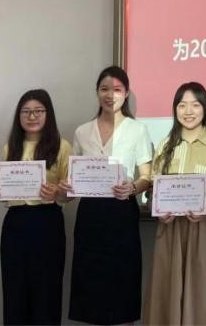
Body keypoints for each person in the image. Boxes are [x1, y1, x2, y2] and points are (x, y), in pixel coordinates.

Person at [65, 66, 153, 325]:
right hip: (90, 215)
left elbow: (147, 176)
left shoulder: (138, 130)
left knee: (122, 283)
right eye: (104, 89)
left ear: (126, 94)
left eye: (116, 89)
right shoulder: (82, 131)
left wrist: (132, 187)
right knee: (90, 284)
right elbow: (74, 177)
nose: (109, 95)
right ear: (97, 93)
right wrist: (68, 187)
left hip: (122, 213)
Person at [144, 81, 206, 325]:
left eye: (195, 105)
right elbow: (153, 190)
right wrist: (157, 209)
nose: (188, 111)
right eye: (182, 105)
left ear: (205, 108)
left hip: (204, 232)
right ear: (175, 109)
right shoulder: (165, 145)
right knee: (168, 298)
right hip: (170, 233)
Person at [0, 89, 71, 325]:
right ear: (19, 116)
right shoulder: (9, 147)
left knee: (46, 290)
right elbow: (5, 195)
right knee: (15, 290)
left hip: (47, 222)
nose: (32, 116)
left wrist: (57, 192)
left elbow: (70, 194)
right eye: (26, 112)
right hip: (15, 224)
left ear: (48, 114)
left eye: (38, 111)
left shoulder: (62, 146)